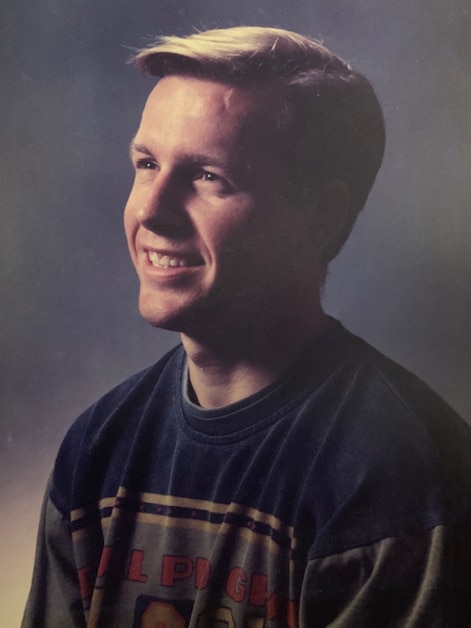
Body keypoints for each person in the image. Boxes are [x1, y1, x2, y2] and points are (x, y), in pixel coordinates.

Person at [22, 26, 471, 628]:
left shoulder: (401, 476)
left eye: (208, 176)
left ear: (322, 215)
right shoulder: (99, 448)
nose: (150, 209)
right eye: (147, 163)